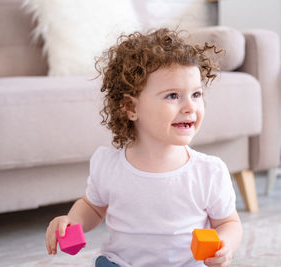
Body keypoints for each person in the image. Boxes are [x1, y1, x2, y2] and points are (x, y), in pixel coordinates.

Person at [45, 28, 243, 267]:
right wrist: (71, 221)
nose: (190, 106)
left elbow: (228, 223)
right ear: (131, 107)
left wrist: (224, 246)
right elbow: (92, 208)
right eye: (172, 95)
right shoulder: (108, 165)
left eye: (196, 94)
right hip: (122, 263)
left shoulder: (208, 171)